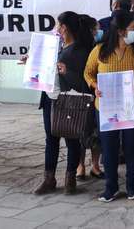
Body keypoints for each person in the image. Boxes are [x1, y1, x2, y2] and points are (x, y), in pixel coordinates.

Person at [84, 10, 134, 202]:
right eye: (132, 29)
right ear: (120, 31)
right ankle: (110, 187)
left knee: (131, 147)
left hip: (129, 106)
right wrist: (95, 87)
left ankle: (132, 187)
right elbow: (88, 73)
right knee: (109, 148)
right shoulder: (100, 50)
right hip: (105, 107)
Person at [34, 11, 95, 195]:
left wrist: (66, 71)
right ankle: (49, 178)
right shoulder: (58, 47)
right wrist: (32, 62)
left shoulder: (81, 51)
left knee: (72, 139)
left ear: (64, 28)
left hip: (70, 102)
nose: (56, 29)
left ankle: (70, 180)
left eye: (58, 26)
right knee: (51, 139)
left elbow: (84, 82)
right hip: (50, 99)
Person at [75, 15, 105, 181]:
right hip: (81, 96)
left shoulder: (99, 47)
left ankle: (95, 165)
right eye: (96, 29)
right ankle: (80, 166)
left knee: (96, 132)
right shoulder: (78, 48)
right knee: (80, 132)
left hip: (98, 96)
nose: (99, 32)